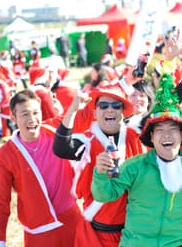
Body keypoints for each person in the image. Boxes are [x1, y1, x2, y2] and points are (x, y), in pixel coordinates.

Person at [91, 71, 182, 247]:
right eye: (160, 130)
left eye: (172, 130)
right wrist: (100, 174)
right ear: (151, 137)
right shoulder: (135, 166)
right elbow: (105, 194)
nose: (166, 136)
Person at [53, 85, 144, 247]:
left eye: (116, 106)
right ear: (94, 112)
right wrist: (73, 110)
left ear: (123, 112)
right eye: (103, 105)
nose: (110, 109)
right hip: (97, 235)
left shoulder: (135, 137)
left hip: (132, 234)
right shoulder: (86, 141)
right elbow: (60, 148)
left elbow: (165, 113)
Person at [0, 89, 82, 246]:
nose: (32, 119)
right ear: (13, 118)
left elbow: (86, 115)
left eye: (36, 113)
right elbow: (0, 202)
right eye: (25, 114)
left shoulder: (55, 130)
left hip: (73, 220)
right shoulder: (4, 156)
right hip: (40, 232)